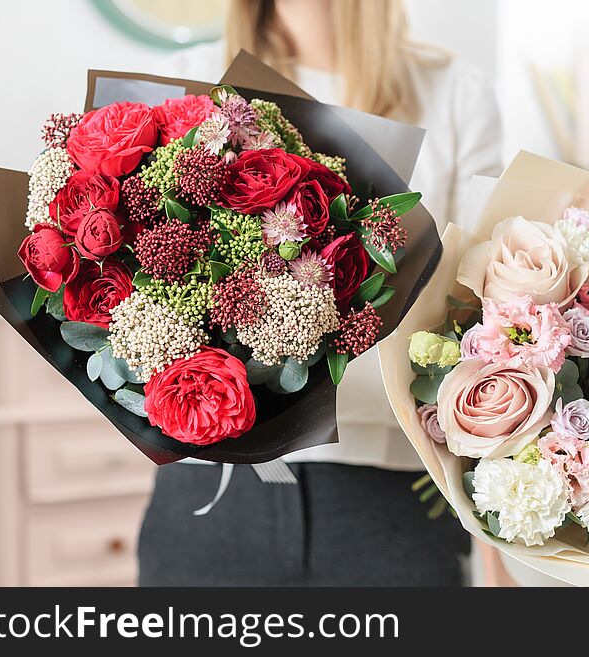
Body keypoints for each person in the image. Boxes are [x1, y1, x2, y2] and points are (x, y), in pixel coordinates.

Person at [138, 0, 503, 586]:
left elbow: (484, 320)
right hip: (212, 496)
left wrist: (494, 544)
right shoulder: (196, 77)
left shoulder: (455, 93)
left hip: (391, 501)